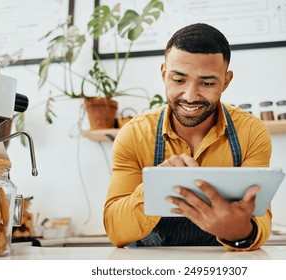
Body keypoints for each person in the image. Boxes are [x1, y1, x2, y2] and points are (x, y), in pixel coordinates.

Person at [104, 23, 272, 251]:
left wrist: (239, 231)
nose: (190, 96)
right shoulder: (134, 135)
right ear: (164, 74)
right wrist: (156, 186)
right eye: (179, 80)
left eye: (207, 83)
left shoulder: (251, 133)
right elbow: (116, 230)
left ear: (226, 81)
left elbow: (260, 219)